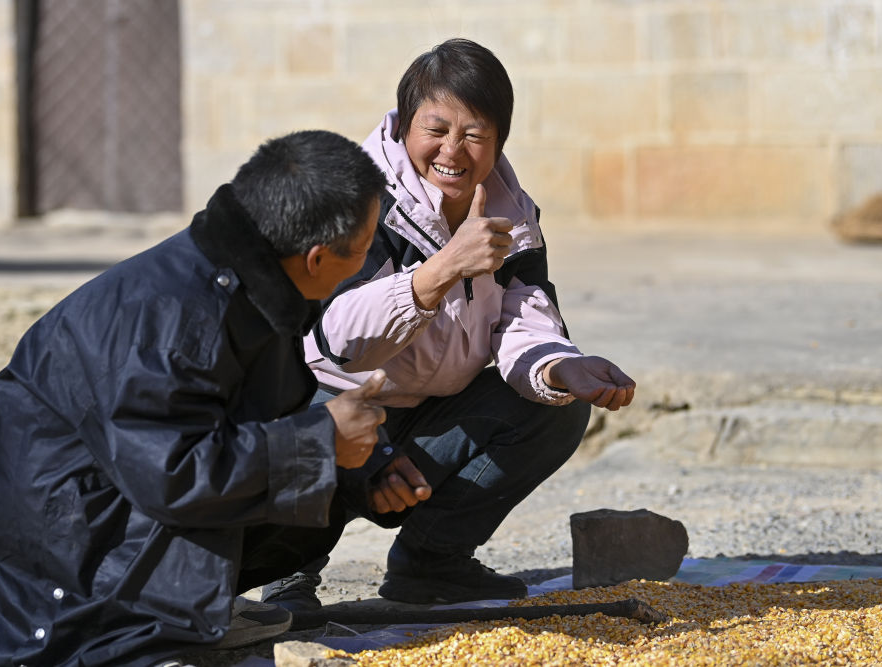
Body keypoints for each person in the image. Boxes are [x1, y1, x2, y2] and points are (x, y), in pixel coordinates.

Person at [0, 130, 390, 667]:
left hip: (117, 515)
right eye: (365, 247)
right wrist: (323, 441)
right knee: (308, 457)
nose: (368, 260)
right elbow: (172, 475)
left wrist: (364, 465)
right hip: (64, 601)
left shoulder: (248, 276)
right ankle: (143, 634)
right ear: (316, 258)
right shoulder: (171, 323)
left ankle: (194, 611)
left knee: (319, 470)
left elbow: (266, 414)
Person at [261, 39, 636, 610]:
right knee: (298, 411)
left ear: (499, 140)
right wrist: (439, 272)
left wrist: (560, 366)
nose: (452, 151)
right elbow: (334, 340)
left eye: (475, 135)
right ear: (403, 126)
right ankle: (288, 572)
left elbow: (523, 312)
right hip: (333, 405)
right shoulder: (355, 201)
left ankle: (432, 563)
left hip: (424, 419)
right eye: (436, 130)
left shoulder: (512, 215)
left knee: (556, 409)